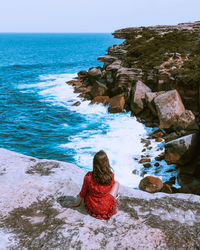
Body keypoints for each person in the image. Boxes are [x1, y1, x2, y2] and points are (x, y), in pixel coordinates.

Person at [70, 150, 119, 219]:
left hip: (93, 206)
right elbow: (110, 187)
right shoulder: (110, 175)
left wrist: (78, 203)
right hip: (106, 206)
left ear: (94, 163)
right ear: (106, 162)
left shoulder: (88, 177)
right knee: (116, 183)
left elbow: (83, 192)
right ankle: (115, 197)